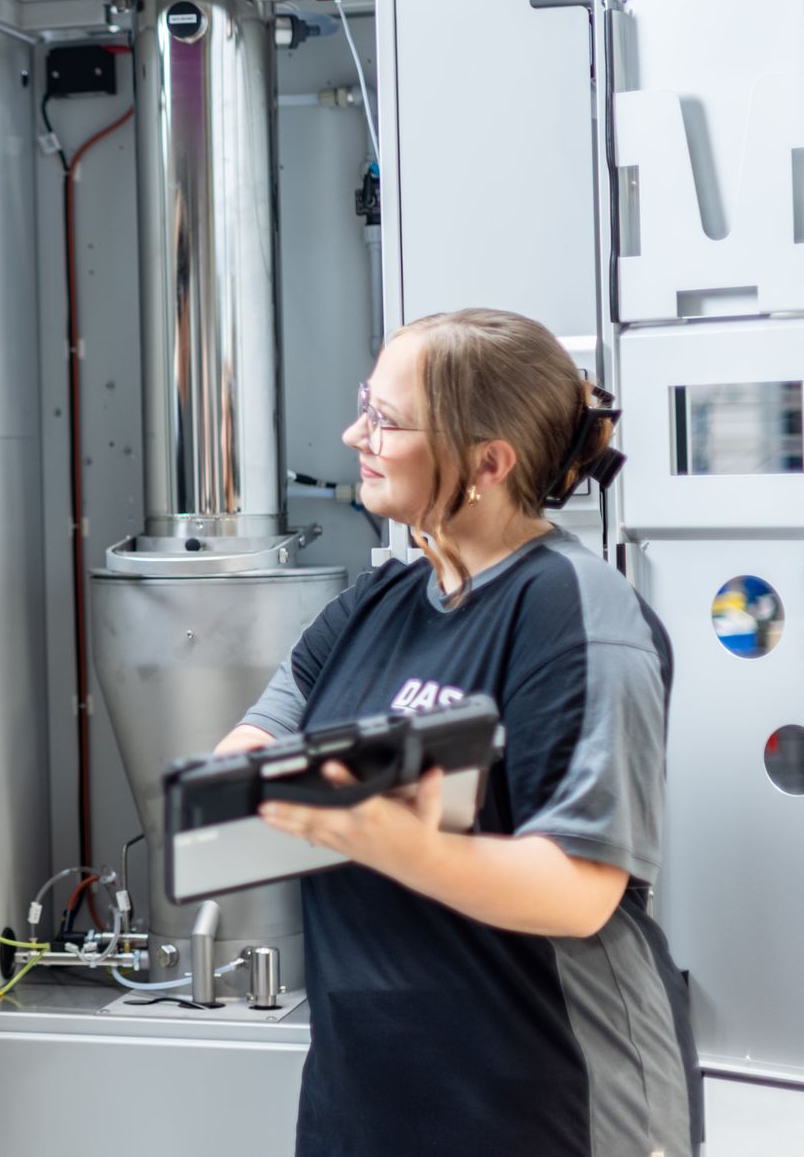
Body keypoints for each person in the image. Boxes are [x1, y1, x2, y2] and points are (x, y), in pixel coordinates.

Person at [214, 308, 701, 1157]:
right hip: (366, 1098)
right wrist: (349, 800)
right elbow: (238, 781)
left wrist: (389, 832)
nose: (353, 433)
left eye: (386, 419)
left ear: (489, 462)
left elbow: (580, 891)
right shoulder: (368, 608)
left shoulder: (574, 612)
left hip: (548, 1101)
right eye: (366, 404)